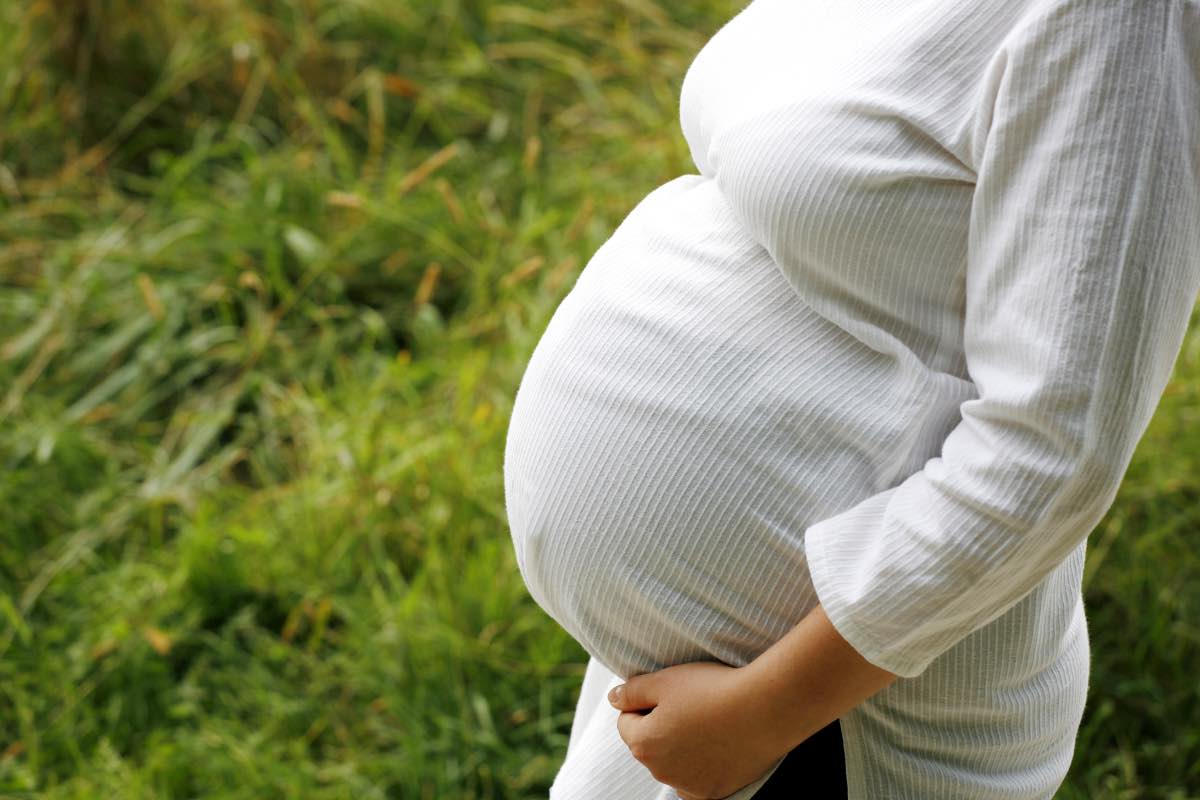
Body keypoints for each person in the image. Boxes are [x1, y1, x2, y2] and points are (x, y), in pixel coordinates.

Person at [501, 0, 1200, 797]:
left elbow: (1054, 450)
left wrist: (762, 713)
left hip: (837, 712)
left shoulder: (1123, 21)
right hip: (731, 678)